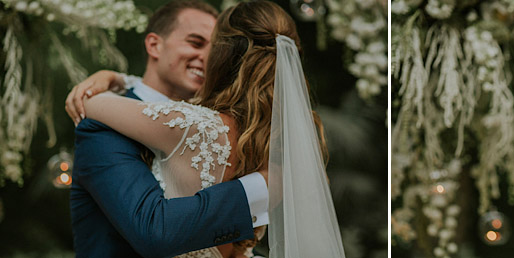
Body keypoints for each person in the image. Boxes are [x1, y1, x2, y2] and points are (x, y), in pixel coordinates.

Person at [69, 1, 344, 257]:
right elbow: (154, 230)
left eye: (213, 46)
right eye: (195, 42)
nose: (205, 55)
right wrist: (260, 187)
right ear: (154, 45)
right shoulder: (102, 128)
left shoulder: (236, 131)